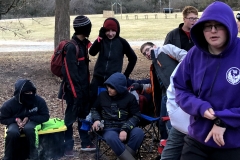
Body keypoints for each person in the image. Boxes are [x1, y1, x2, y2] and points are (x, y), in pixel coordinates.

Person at [173, 1, 240, 160]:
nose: (213, 30)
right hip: (197, 139)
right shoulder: (194, 54)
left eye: (219, 25)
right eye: (207, 26)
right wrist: (199, 106)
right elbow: (180, 89)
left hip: (233, 143)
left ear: (230, 25)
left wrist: (223, 121)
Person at [131, 42, 187, 140]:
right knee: (162, 122)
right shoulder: (153, 66)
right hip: (166, 95)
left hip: (179, 91)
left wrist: (179, 78)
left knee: (173, 122)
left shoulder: (166, 49)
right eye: (144, 54)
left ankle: (177, 146)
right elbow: (155, 87)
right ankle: (165, 146)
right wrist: (141, 86)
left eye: (148, 50)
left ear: (155, 46)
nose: (147, 54)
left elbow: (186, 57)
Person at [58, 15, 95, 156]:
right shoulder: (71, 47)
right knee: (69, 119)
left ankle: (85, 142)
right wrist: (76, 95)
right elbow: (69, 74)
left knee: (84, 117)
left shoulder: (83, 44)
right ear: (85, 29)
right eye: (89, 28)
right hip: (73, 92)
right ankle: (67, 146)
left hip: (84, 90)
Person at [91, 72, 144, 160]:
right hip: (108, 127)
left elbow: (136, 115)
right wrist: (97, 120)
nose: (109, 89)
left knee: (138, 133)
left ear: (120, 88)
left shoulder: (130, 98)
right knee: (111, 137)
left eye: (112, 88)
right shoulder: (102, 96)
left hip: (126, 125)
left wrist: (125, 129)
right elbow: (94, 109)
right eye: (108, 86)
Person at [89, 17, 137, 108]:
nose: (110, 34)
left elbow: (133, 58)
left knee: (109, 106)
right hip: (97, 79)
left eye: (113, 31)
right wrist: (99, 39)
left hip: (113, 82)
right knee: (93, 103)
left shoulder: (122, 42)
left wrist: (125, 75)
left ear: (117, 30)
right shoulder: (102, 40)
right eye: (108, 31)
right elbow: (92, 52)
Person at [0, 79, 50, 160]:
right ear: (19, 93)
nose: (30, 94)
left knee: (29, 129)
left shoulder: (39, 101)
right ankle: (8, 157)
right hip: (14, 122)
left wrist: (29, 118)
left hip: (33, 121)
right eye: (27, 92)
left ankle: (34, 156)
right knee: (12, 132)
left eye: (31, 92)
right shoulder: (9, 104)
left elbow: (45, 116)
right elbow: (2, 119)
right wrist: (16, 120)